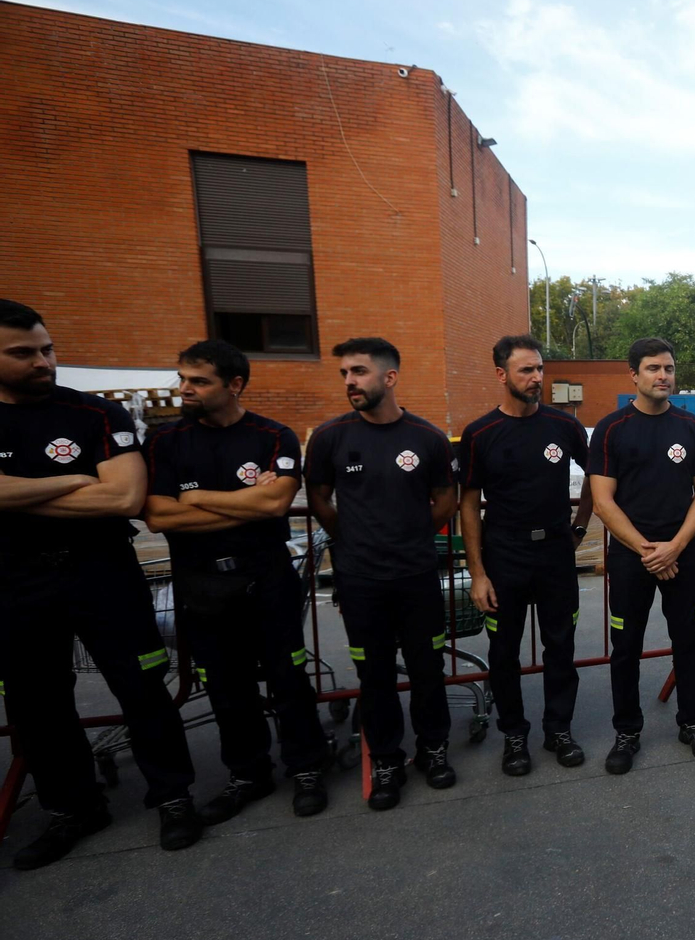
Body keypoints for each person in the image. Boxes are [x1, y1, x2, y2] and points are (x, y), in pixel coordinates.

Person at [0, 299, 201, 868]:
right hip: (16, 582)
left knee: (142, 689)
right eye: (23, 353)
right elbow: (97, 491)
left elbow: (123, 497)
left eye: (47, 349)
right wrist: (74, 479)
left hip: (102, 575)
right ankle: (72, 807)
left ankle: (173, 795)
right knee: (37, 703)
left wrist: (17, 495)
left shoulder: (95, 414)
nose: (42, 362)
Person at [144, 340, 328, 823]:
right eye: (182, 379)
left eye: (199, 381)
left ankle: (307, 767)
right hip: (201, 583)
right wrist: (241, 503)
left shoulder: (273, 436)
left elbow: (273, 506)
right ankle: (248, 773)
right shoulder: (165, 442)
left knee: (289, 676)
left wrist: (197, 498)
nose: (185, 389)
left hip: (266, 578)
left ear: (235, 384)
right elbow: (159, 517)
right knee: (226, 685)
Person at [305, 337, 458, 811]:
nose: (349, 381)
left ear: (389, 378)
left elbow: (446, 500)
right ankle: (386, 760)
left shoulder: (427, 438)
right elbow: (319, 500)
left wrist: (411, 535)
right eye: (344, 374)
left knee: (428, 670)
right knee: (374, 676)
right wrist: (351, 539)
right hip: (360, 580)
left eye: (359, 372)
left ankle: (433, 751)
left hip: (416, 576)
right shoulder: (331, 437)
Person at [458, 335, 593, 775]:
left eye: (539, 369)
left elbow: (597, 476)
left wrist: (579, 527)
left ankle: (559, 730)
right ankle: (514, 736)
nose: (537, 378)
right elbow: (468, 505)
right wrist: (477, 573)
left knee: (561, 646)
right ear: (502, 375)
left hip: (555, 553)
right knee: (504, 652)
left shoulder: (564, 426)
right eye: (526, 371)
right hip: (505, 556)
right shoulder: (480, 434)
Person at [587, 338, 695, 774]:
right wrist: (647, 550)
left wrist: (676, 546)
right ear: (633, 375)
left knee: (688, 641)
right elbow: (603, 501)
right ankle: (627, 732)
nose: (662, 375)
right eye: (652, 368)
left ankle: (693, 722)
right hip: (633, 558)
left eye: (668, 368)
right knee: (625, 647)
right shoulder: (611, 429)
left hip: (682, 552)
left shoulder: (691, 428)